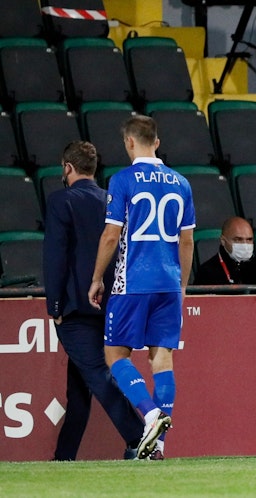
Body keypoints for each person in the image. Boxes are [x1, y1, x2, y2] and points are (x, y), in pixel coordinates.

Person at [88, 115, 196, 461]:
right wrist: (182, 285)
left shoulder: (121, 181)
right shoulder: (181, 183)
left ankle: (150, 415)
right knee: (162, 356)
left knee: (115, 355)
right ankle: (158, 448)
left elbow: (110, 235)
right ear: (157, 142)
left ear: (129, 143)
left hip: (132, 281)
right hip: (168, 282)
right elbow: (188, 241)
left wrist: (95, 278)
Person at [43, 141, 145, 461]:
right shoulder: (111, 201)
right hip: (111, 304)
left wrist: (55, 307)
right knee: (81, 387)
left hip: (75, 310)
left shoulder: (61, 202)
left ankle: (140, 439)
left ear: (67, 168)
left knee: (99, 376)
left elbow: (56, 257)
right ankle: (64, 457)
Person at [194, 216, 256, 285]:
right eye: (238, 239)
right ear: (223, 241)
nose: (245, 244)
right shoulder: (207, 272)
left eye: (249, 239)